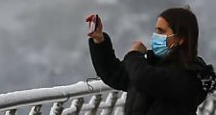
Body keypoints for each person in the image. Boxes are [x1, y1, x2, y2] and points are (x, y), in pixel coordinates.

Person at [87, 6, 216, 114]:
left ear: (180, 39)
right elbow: (114, 74)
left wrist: (134, 54)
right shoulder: (153, 65)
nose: (156, 36)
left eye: (161, 31)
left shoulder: (189, 75)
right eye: (156, 30)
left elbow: (143, 78)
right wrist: (99, 41)